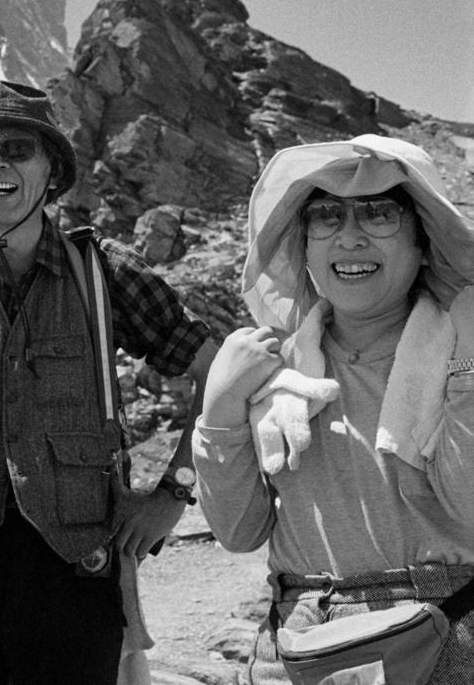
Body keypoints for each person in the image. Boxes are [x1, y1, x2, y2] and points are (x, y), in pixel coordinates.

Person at [0, 81, 216, 684]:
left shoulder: (108, 274)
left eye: (15, 148)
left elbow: (218, 372)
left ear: (52, 170)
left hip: (76, 584)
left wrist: (175, 493)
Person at [193, 134, 474, 683]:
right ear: (303, 246)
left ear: (423, 242)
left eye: (379, 214)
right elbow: (239, 530)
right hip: (301, 639)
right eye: (325, 215)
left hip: (441, 635)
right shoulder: (272, 368)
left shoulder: (459, 350)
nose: (349, 236)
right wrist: (220, 409)